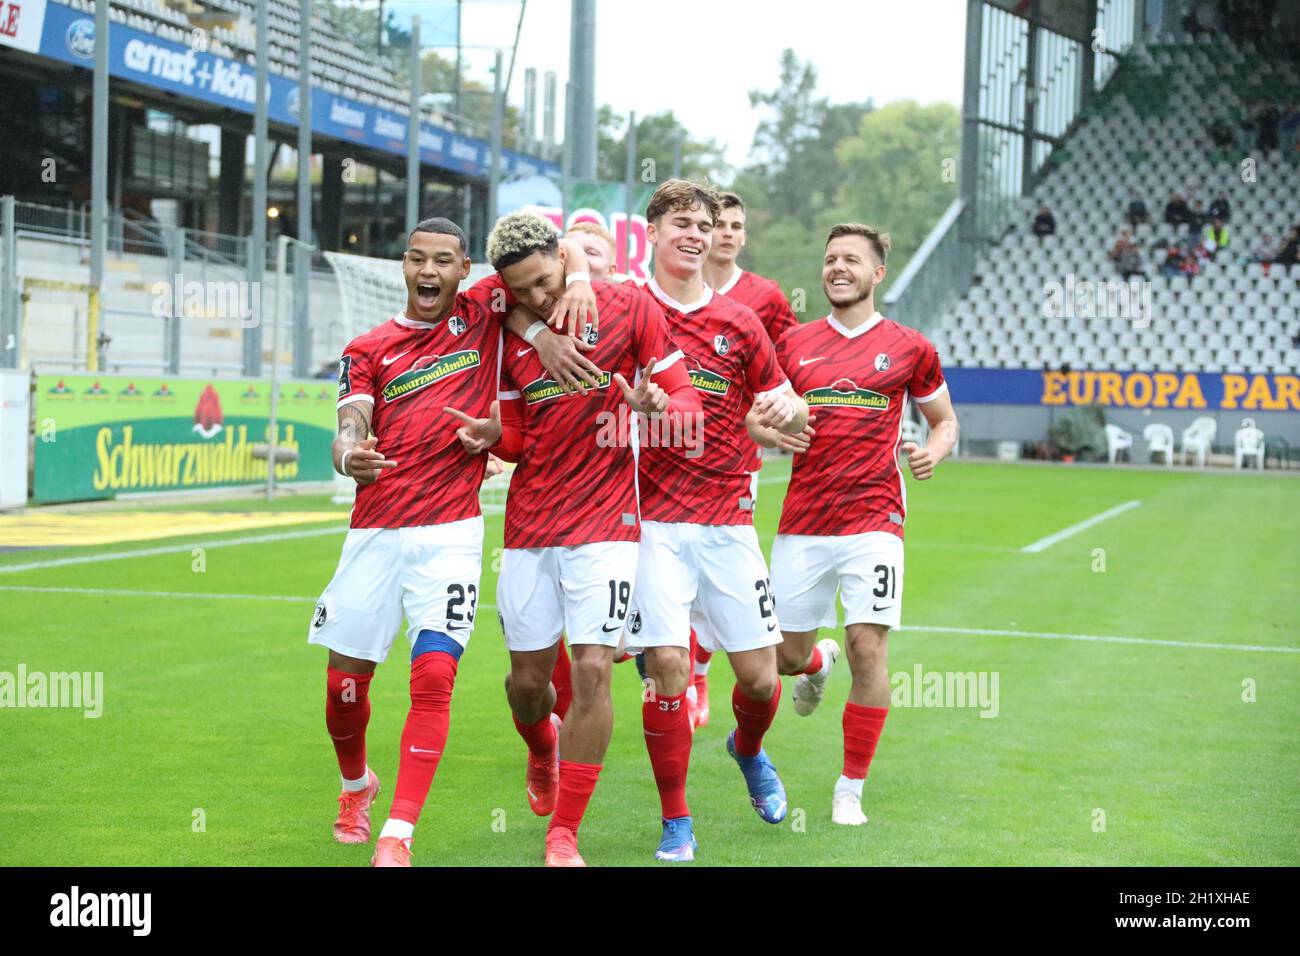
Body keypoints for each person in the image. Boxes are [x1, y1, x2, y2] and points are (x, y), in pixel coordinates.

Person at [309, 217, 599, 868]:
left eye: (444, 260)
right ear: (403, 267)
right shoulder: (368, 348)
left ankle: (398, 835)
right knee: (343, 688)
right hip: (375, 533)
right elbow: (350, 420)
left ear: (465, 270)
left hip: (450, 532)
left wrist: (577, 278)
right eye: (418, 260)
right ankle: (357, 785)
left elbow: (561, 245)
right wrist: (347, 451)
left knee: (434, 675)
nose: (430, 272)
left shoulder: (484, 309)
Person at [446, 212, 702, 867]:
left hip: (608, 523)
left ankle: (565, 834)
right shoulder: (507, 316)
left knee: (592, 670)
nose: (534, 296)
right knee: (527, 686)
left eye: (543, 282)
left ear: (562, 258)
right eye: (519, 290)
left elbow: (688, 408)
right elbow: (517, 435)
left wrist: (654, 408)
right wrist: (489, 434)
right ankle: (541, 749)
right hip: (531, 524)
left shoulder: (631, 307)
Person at [628, 179, 809, 861]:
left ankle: (748, 748)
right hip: (648, 522)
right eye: (682, 221)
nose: (697, 234)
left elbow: (790, 406)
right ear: (652, 229)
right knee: (668, 664)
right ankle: (677, 819)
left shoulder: (740, 322)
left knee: (761, 679)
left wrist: (777, 417)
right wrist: (636, 414)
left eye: (705, 224)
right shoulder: (624, 308)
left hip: (728, 520)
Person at [755, 222, 958, 827]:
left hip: (875, 520)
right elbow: (754, 419)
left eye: (851, 260)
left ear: (877, 274)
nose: (837, 268)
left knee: (867, 648)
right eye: (830, 259)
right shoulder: (791, 343)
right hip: (803, 523)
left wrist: (934, 451)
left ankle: (850, 787)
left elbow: (945, 421)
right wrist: (770, 430)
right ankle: (815, 663)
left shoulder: (910, 347)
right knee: (780, 661)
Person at [694, 189, 802, 723]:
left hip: (737, 460)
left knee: (719, 569)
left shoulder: (765, 296)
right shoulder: (668, 290)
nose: (730, 234)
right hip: (665, 460)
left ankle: (701, 674)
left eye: (738, 225)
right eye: (721, 224)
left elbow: (790, 364)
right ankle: (687, 671)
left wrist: (789, 414)